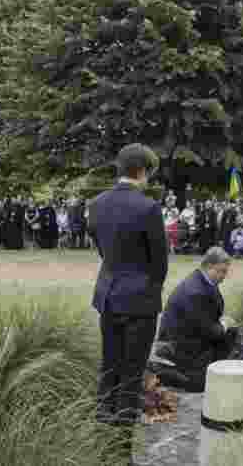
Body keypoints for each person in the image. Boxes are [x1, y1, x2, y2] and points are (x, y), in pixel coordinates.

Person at [90, 143, 168, 427]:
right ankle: (123, 432)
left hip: (108, 294)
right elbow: (160, 262)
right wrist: (150, 289)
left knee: (109, 363)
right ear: (142, 171)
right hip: (139, 297)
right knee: (133, 369)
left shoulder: (97, 204)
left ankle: (102, 418)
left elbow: (102, 250)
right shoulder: (148, 207)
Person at [154, 248, 237, 392]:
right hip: (180, 346)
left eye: (225, 271)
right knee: (201, 385)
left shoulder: (203, 281)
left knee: (229, 331)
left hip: (192, 337)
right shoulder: (196, 291)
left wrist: (223, 324)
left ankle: (213, 369)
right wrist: (224, 324)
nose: (224, 276)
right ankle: (169, 371)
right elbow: (209, 331)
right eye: (221, 271)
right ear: (209, 266)